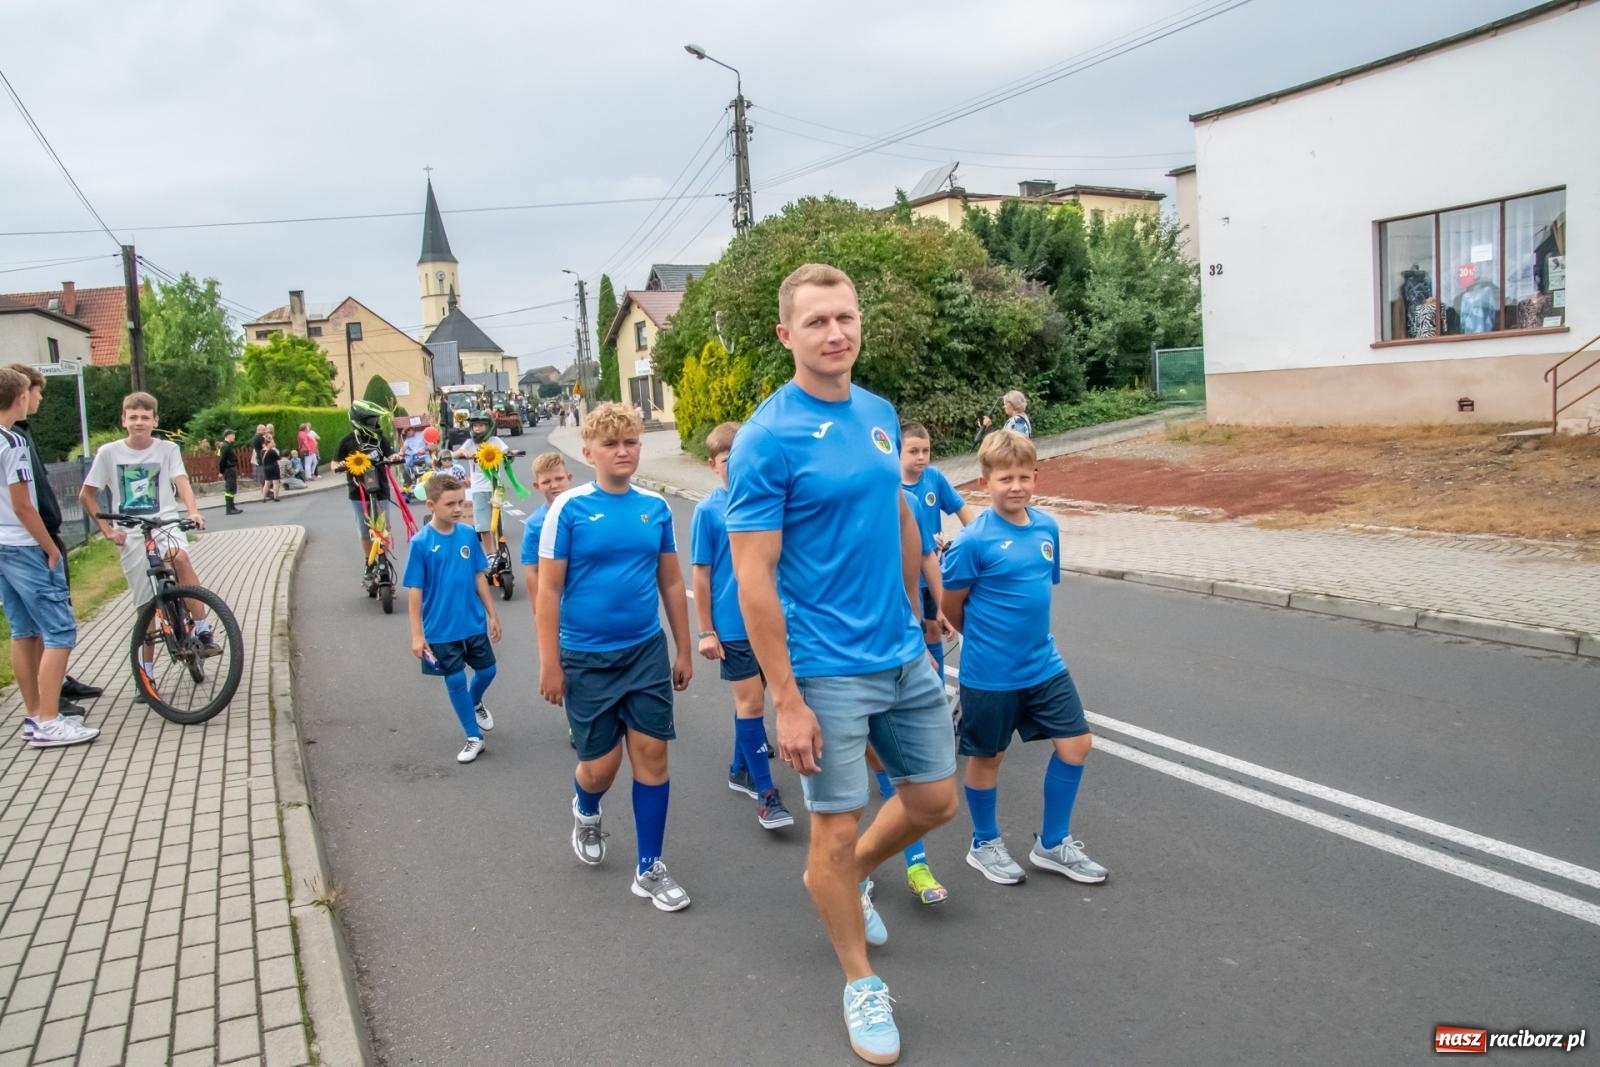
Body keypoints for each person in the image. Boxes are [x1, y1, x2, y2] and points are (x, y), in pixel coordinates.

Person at [726, 263, 957, 1064]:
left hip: (900, 649)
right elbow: (753, 576)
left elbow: (892, 509)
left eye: (846, 317)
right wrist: (785, 697)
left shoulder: (880, 413)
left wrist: (921, 606)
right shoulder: (767, 436)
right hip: (823, 666)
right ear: (788, 335)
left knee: (935, 801)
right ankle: (859, 978)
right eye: (818, 321)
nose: (836, 333)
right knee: (835, 826)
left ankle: (845, 876)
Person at [537, 402, 694, 913]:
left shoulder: (656, 507)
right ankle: (586, 808)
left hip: (645, 652)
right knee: (600, 767)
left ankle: (650, 867)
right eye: (611, 444)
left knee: (651, 755)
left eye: (630, 442)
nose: (622, 451)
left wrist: (683, 647)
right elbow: (549, 592)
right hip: (585, 657)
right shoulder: (570, 509)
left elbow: (671, 579)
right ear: (588, 453)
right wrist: (550, 663)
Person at [941, 429, 1108, 887]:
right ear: (983, 483)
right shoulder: (974, 541)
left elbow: (1036, 593)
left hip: (1043, 664)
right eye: (1004, 478)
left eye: (1022, 477)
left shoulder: (1046, 528)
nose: (1015, 486)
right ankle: (985, 842)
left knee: (1077, 745)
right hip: (990, 673)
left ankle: (1052, 844)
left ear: (1035, 477)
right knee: (988, 758)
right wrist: (982, 639)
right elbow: (951, 605)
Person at [689, 421, 790, 832]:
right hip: (732, 626)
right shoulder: (708, 511)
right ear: (713, 465)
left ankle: (738, 766)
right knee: (751, 704)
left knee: (755, 698)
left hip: (772, 621)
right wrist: (705, 631)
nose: (737, 467)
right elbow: (700, 575)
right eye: (728, 461)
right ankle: (766, 794)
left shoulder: (768, 503)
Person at [79, 392, 214, 689]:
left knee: (179, 558)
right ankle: (146, 673)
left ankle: (203, 630)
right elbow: (86, 495)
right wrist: (108, 531)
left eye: (145, 417)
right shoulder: (109, 453)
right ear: (123, 420)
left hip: (163, 523)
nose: (139, 422)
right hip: (130, 534)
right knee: (146, 611)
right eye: (133, 417)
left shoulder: (167, 449)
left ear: (155, 420)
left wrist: (193, 512)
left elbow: (182, 483)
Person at [0, 368, 98, 748]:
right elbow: (25, 506)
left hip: (2, 545)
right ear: (20, 397)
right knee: (59, 631)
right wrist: (50, 546)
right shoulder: (14, 443)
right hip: (25, 544)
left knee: (23, 630)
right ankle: (48, 718)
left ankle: (34, 715)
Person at [405, 473, 502, 764]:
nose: (458, 509)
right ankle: (474, 737)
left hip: (472, 622)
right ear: (431, 505)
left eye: (461, 502)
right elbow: (415, 592)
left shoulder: (467, 535)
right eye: (450, 504)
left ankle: (474, 703)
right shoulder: (421, 543)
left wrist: (492, 614)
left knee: (487, 672)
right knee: (456, 679)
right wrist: (417, 635)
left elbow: (478, 576)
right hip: (440, 628)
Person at [332, 400, 399, 579]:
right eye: (371, 421)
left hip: (381, 489)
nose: (375, 424)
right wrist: (340, 465)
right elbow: (334, 463)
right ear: (360, 422)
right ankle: (369, 563)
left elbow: (390, 454)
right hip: (358, 492)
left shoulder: (380, 439)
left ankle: (383, 559)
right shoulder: (347, 441)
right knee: (364, 529)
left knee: (383, 527)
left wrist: (395, 457)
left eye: (376, 420)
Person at [518, 451, 572, 629]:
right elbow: (532, 571)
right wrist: (538, 612)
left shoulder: (586, 512)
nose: (554, 485)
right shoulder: (535, 524)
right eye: (546, 482)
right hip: (559, 605)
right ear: (537, 485)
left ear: (568, 478)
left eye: (559, 479)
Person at [452, 410, 509, 556]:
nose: (477, 429)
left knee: (496, 524)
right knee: (483, 526)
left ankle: (499, 551)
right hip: (479, 489)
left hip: (495, 488)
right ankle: (489, 554)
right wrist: (463, 452)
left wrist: (510, 455)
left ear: (488, 426)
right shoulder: (470, 443)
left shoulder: (495, 441)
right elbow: (456, 454)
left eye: (481, 425)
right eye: (475, 426)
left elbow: (507, 452)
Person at [217, 429, 243, 515]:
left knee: (232, 488)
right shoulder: (225, 446)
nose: (234, 436)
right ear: (228, 435)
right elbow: (222, 460)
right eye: (233, 435)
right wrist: (221, 471)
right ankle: (229, 509)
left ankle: (232, 507)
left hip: (231, 469)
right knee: (229, 488)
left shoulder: (228, 445)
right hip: (228, 469)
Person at [259, 434, 281, 502]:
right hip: (274, 467)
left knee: (267, 483)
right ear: (269, 443)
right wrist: (275, 450)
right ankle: (276, 497)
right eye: (273, 443)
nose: (274, 444)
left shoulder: (262, 451)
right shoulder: (272, 451)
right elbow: (278, 458)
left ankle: (264, 498)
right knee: (276, 482)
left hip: (266, 468)